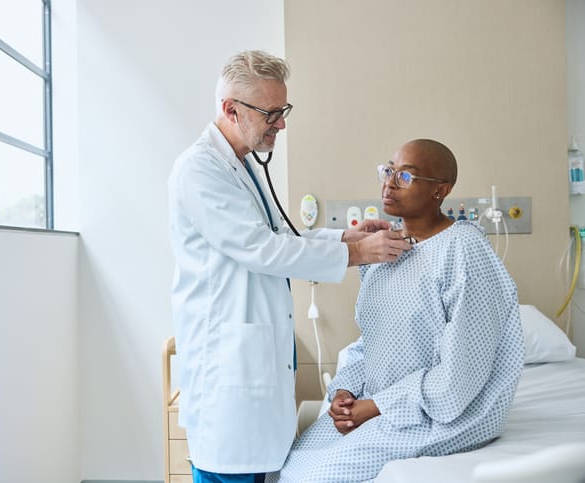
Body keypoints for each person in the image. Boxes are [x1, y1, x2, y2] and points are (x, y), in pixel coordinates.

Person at [167, 50, 413, 482]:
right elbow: (261, 249)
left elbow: (283, 239)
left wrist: (346, 237)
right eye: (272, 113)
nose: (281, 123)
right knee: (230, 472)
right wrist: (359, 254)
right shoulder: (200, 171)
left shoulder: (243, 164)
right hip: (227, 368)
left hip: (254, 359)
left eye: (284, 111)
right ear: (231, 109)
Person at [267, 139, 525, 483]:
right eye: (388, 171)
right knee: (289, 466)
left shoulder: (464, 250)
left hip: (443, 414)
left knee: (313, 478)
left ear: (441, 190)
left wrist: (375, 407)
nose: (389, 182)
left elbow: (462, 373)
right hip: (380, 405)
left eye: (405, 176)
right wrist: (344, 392)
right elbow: (370, 345)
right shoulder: (386, 251)